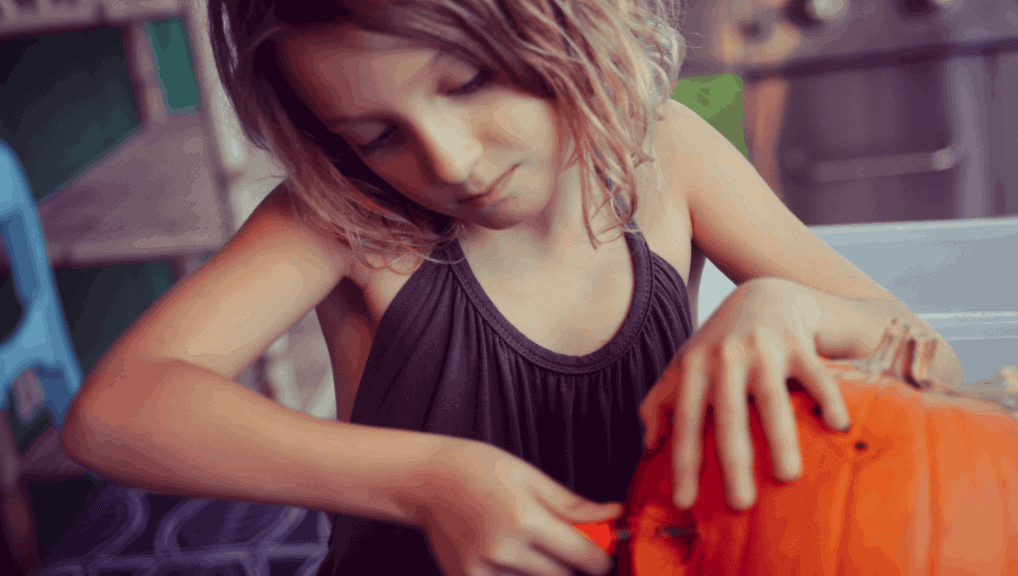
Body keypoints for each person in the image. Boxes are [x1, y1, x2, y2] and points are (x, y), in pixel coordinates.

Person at [59, 1, 965, 575]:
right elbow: (115, 413)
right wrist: (432, 482)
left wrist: (786, 306)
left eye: (471, 81)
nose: (446, 161)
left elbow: (930, 357)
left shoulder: (667, 158)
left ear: (560, 24)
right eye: (376, 134)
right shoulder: (342, 215)